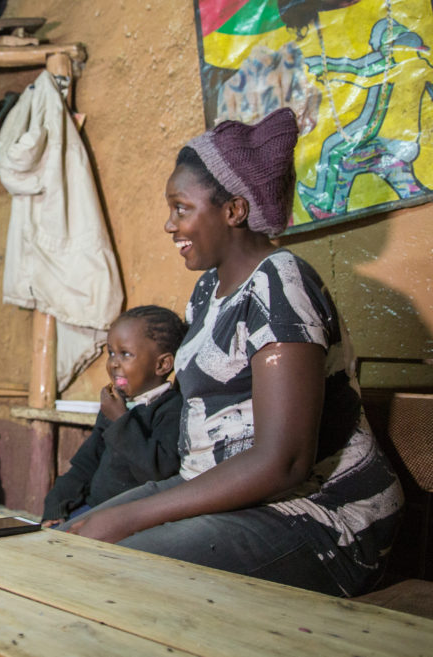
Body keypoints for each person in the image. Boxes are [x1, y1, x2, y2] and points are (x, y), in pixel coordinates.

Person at [66, 108, 404, 597]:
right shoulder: (206, 293)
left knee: (111, 571)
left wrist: (132, 514)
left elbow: (282, 463)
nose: (169, 224)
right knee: (64, 547)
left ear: (233, 211)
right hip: (225, 493)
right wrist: (122, 513)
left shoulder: (281, 283)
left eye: (181, 208)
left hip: (321, 514)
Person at [42, 305, 185, 527]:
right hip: (92, 509)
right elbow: (85, 464)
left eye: (125, 354)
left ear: (162, 364)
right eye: (111, 353)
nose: (113, 363)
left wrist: (120, 419)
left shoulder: (171, 410)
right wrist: (56, 506)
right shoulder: (117, 405)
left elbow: (156, 472)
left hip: (130, 521)